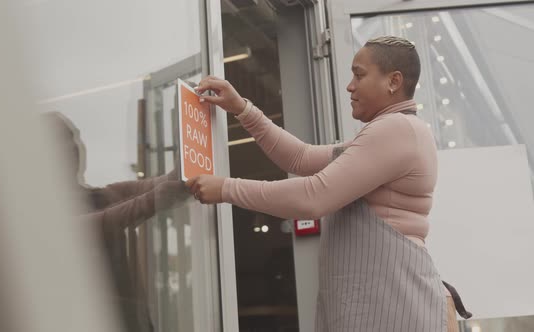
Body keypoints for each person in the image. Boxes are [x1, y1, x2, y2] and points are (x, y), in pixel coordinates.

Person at [187, 36, 469, 331]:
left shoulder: (397, 129)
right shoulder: (392, 132)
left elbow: (313, 197)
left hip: (396, 306)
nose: (350, 86)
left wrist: (226, 189)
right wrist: (242, 109)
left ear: (393, 81)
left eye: (359, 75)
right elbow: (300, 157)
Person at [43, 112, 187, 332]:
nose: (74, 146)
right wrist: (152, 200)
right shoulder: (40, 216)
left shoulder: (100, 196)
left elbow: (171, 180)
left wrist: (189, 138)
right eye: (61, 141)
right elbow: (103, 222)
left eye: (73, 137)